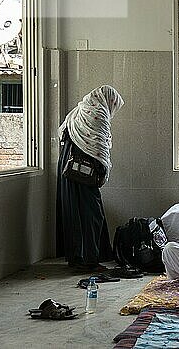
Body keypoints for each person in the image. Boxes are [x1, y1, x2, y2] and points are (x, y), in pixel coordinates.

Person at [56, 85, 124, 271]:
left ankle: (78, 257)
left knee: (76, 214)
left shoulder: (80, 111)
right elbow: (98, 147)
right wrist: (102, 170)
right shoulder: (98, 114)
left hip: (69, 171)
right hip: (83, 174)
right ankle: (89, 260)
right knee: (91, 215)